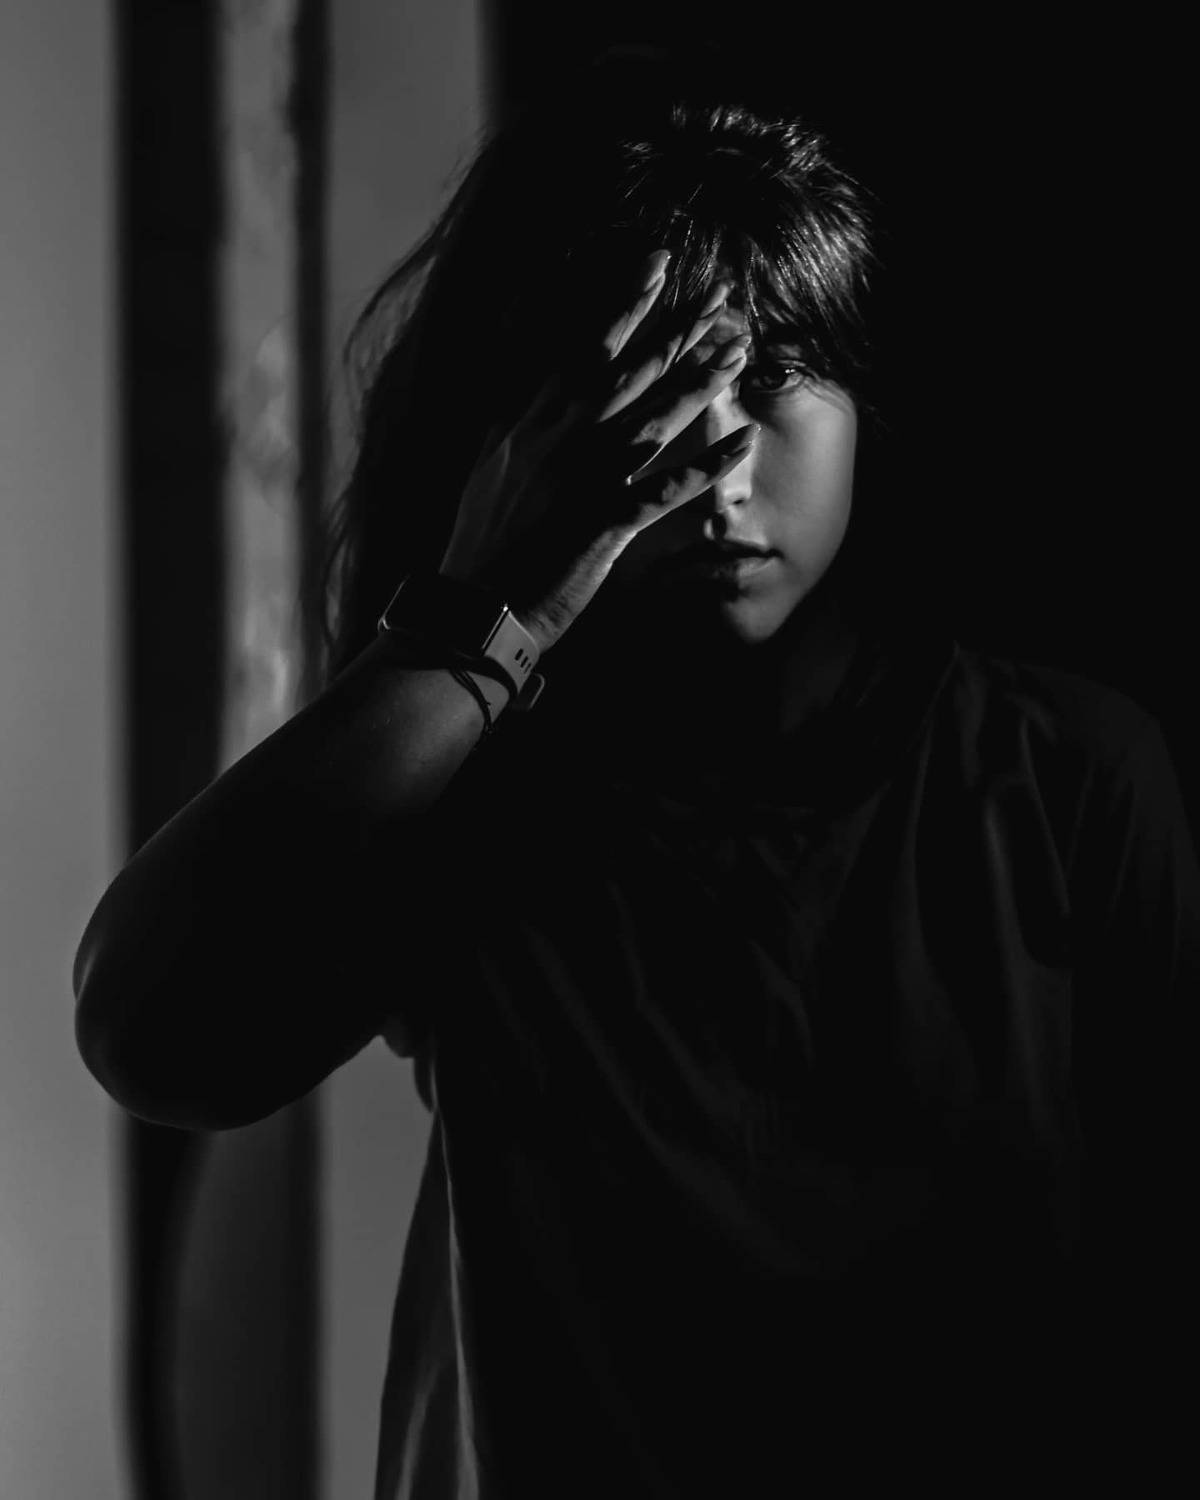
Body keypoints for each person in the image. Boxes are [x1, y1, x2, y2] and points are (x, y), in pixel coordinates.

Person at [75, 47, 1197, 1498]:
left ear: (863, 402)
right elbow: (152, 1029)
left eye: (773, 379)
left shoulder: (1060, 783)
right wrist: (482, 616)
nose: (717, 467)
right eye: (651, 392)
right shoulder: (483, 785)